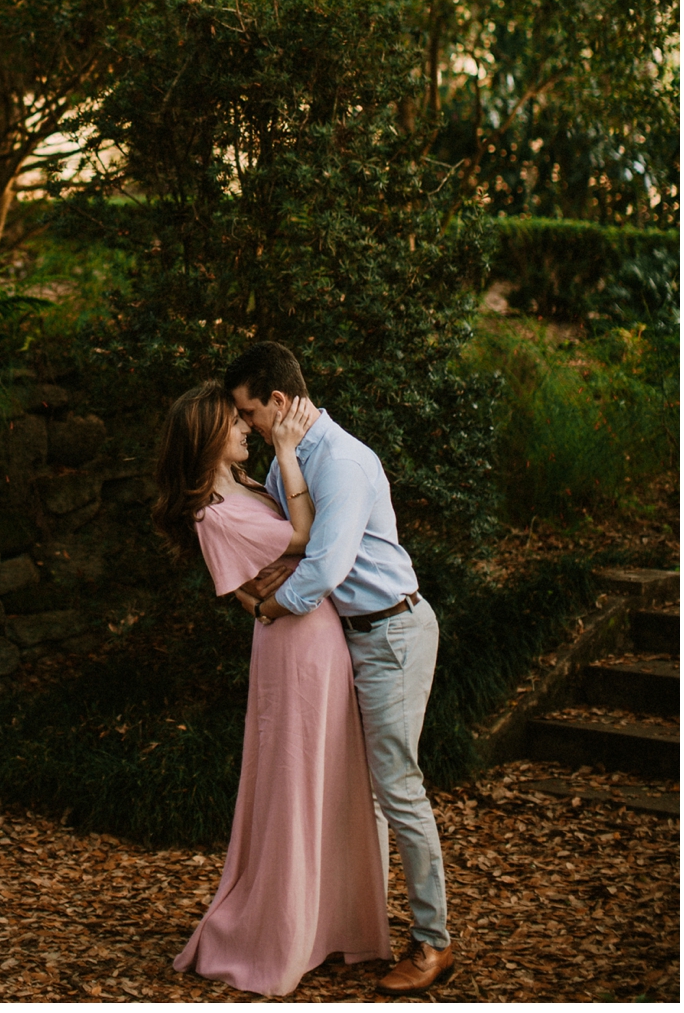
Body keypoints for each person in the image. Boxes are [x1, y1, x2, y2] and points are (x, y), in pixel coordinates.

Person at [224, 342, 454, 997]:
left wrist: (267, 606)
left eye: (248, 413)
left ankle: (434, 941)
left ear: (276, 401)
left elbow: (321, 568)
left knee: (395, 785)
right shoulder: (290, 462)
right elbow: (281, 538)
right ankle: (351, 926)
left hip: (392, 635)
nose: (245, 427)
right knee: (355, 788)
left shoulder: (344, 462)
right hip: (346, 638)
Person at [151, 381, 391, 998]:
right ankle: (282, 930)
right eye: (234, 424)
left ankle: (331, 922)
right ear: (207, 438)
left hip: (312, 632)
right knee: (294, 778)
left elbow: (262, 582)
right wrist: (288, 450)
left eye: (244, 419)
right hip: (295, 645)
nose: (245, 430)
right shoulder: (216, 510)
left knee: (330, 774)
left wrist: (256, 597)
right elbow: (306, 539)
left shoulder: (246, 489)